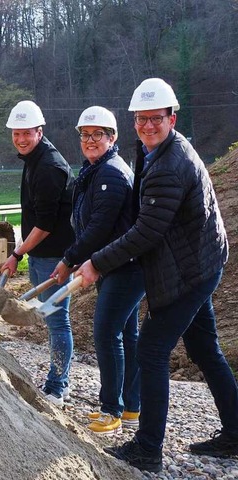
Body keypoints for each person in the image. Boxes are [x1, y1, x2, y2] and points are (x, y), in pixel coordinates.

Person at [76, 78, 238, 472]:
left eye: (156, 119)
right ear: (134, 121)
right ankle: (235, 432)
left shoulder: (169, 165)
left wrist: (96, 262)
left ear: (172, 118)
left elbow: (147, 231)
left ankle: (147, 449)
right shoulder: (154, 151)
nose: (148, 125)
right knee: (203, 348)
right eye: (142, 119)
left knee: (150, 350)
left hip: (191, 270)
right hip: (200, 260)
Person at [51, 106, 145, 434]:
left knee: (107, 333)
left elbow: (100, 228)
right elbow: (91, 225)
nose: (90, 140)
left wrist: (68, 259)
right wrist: (78, 257)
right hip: (116, 263)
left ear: (112, 137)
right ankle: (132, 407)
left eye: (98, 135)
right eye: (85, 135)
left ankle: (111, 411)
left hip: (125, 267)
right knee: (127, 334)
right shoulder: (96, 169)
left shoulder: (111, 174)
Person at [0, 100, 75, 407]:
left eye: (26, 133)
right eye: (16, 133)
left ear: (39, 131)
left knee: (58, 319)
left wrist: (17, 253)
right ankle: (58, 379)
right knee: (51, 317)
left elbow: (44, 224)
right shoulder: (34, 159)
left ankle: (57, 387)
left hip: (54, 254)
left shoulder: (47, 167)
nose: (20, 139)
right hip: (42, 253)